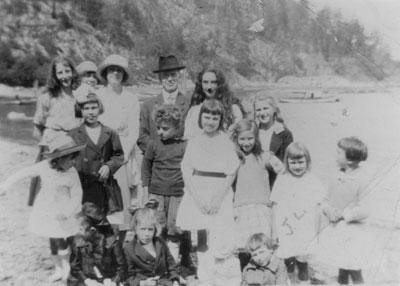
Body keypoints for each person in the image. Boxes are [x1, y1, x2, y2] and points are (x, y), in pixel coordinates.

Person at [0, 135, 85, 282]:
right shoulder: (44, 166)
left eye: (74, 158)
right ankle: (58, 268)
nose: (73, 162)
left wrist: (67, 212)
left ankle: (67, 269)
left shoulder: (72, 173)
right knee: (52, 237)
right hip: (46, 209)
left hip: (63, 211)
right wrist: (5, 185)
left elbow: (78, 194)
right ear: (58, 158)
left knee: (62, 239)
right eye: (70, 158)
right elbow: (23, 173)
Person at [176, 99, 241, 284]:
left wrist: (218, 199)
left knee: (219, 234)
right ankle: (205, 276)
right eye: (207, 116)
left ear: (220, 119)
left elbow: (232, 171)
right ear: (200, 117)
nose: (210, 121)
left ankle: (221, 275)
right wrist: (197, 199)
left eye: (215, 117)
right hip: (198, 191)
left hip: (219, 192)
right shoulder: (195, 141)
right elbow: (186, 171)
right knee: (201, 235)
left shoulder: (226, 141)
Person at [314, 137, 371, 285]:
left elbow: (365, 209)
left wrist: (345, 214)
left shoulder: (362, 180)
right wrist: (329, 211)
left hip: (353, 233)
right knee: (342, 267)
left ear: (350, 160)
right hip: (337, 230)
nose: (335, 156)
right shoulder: (335, 177)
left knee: (354, 269)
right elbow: (325, 200)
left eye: (339, 153)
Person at [96, 54, 140, 242]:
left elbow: (134, 130)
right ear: (106, 73)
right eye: (112, 70)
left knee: (122, 200)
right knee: (101, 199)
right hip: (101, 150)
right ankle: (104, 247)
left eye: (119, 70)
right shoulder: (97, 95)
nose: (115, 73)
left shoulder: (130, 98)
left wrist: (123, 155)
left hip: (123, 151)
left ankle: (121, 246)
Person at [28, 56, 82, 206]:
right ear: (55, 76)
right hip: (52, 148)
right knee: (49, 188)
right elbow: (37, 128)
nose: (65, 76)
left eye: (67, 71)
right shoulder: (46, 98)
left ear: (73, 71)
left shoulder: (79, 97)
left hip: (72, 147)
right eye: (60, 73)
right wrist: (47, 148)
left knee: (70, 187)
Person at [231, 119, 283, 270]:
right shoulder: (234, 157)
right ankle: (246, 277)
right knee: (244, 248)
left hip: (261, 208)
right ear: (236, 139)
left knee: (263, 247)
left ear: (256, 138)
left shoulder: (265, 156)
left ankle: (265, 276)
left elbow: (283, 171)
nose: (246, 143)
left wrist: (277, 195)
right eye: (242, 139)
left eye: (250, 138)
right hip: (241, 208)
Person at [270, 142, 325, 284]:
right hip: (286, 228)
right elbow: (275, 207)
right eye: (293, 162)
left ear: (308, 161)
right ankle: (290, 283)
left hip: (305, 229)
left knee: (303, 261)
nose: (297, 166)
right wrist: (274, 232)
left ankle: (304, 282)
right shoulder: (282, 180)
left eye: (301, 162)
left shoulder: (313, 180)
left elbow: (318, 209)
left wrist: (317, 233)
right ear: (287, 162)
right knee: (288, 260)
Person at [140, 104, 187, 262]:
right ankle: (157, 261)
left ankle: (172, 262)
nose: (160, 132)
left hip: (177, 194)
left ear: (176, 127)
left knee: (174, 229)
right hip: (157, 193)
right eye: (158, 128)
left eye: (165, 128)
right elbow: (146, 167)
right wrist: (146, 193)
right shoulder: (153, 144)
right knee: (157, 228)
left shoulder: (183, 146)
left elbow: (188, 169)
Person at [69, 90, 124, 217]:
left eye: (94, 107)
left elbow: (118, 155)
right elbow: (68, 159)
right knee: (83, 222)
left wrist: (109, 166)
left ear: (99, 108)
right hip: (83, 185)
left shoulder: (110, 133)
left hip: (103, 185)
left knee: (105, 221)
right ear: (80, 110)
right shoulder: (73, 134)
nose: (90, 112)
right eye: (86, 108)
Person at [137, 55, 190, 153]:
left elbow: (193, 135)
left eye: (173, 74)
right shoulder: (147, 106)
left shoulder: (189, 105)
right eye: (166, 75)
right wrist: (158, 151)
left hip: (181, 161)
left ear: (179, 76)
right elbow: (141, 136)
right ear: (160, 77)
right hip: (156, 162)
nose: (170, 79)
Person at [68, 202, 127, 286]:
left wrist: (113, 281)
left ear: (92, 230)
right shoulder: (78, 242)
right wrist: (87, 281)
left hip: (109, 281)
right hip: (87, 280)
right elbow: (75, 267)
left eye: (80, 229)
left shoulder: (112, 244)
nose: (77, 232)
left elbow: (121, 267)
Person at [184, 67, 244, 140]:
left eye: (213, 82)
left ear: (220, 84)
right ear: (201, 84)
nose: (209, 87)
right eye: (205, 82)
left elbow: (240, 137)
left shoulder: (233, 110)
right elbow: (189, 137)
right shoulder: (194, 111)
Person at [124, 207, 180, 286]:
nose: (147, 234)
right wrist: (143, 283)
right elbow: (128, 276)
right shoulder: (129, 249)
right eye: (143, 229)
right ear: (135, 229)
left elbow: (171, 265)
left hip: (163, 282)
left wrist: (175, 280)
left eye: (150, 229)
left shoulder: (160, 243)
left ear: (155, 229)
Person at [253, 95, 293, 188]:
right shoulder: (253, 132)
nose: (262, 113)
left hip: (277, 181)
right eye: (258, 110)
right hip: (256, 180)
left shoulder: (284, 133)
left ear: (274, 109)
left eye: (265, 108)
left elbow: (288, 160)